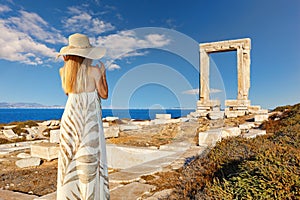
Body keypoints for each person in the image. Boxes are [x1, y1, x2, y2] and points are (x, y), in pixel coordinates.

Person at [56, 33, 110, 200]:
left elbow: (68, 93)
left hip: (71, 119)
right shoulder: (94, 71)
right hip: (89, 120)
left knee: (70, 160)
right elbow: (104, 94)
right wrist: (103, 74)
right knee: (89, 160)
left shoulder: (63, 72)